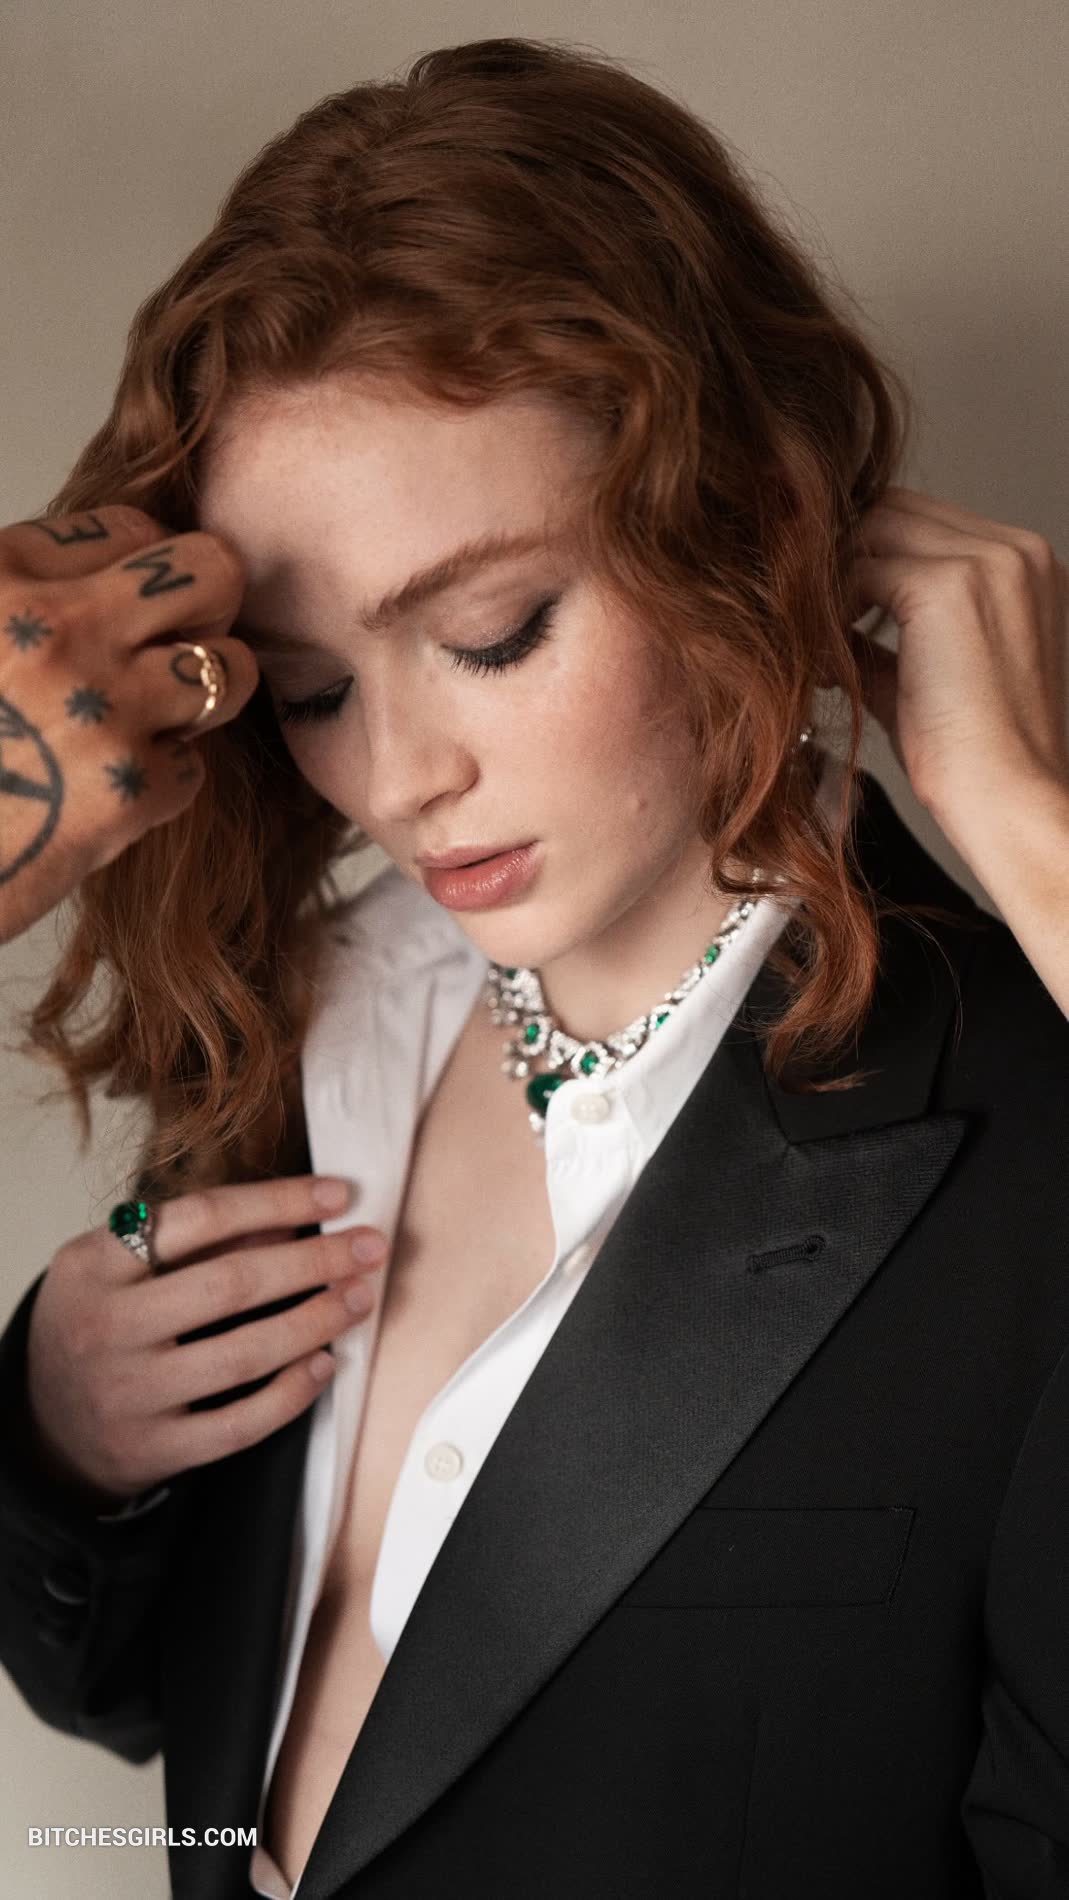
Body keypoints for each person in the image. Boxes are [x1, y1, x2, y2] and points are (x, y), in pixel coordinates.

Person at [1, 34, 1068, 1900]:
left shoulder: (1024, 1126)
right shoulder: (310, 1018)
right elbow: (162, 1730)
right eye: (311, 689)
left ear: (740, 524)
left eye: (492, 631)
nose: (396, 779)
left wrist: (1021, 820)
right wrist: (64, 1449)